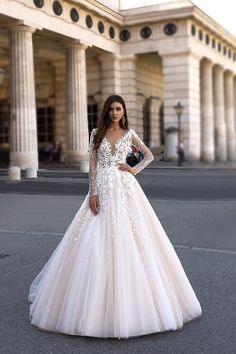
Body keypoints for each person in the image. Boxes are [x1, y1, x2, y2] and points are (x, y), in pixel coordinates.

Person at [28, 95, 202, 339]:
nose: (115, 112)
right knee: (93, 238)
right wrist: (92, 192)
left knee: (133, 237)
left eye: (119, 108)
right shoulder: (96, 133)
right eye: (111, 109)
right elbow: (92, 165)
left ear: (123, 111)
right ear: (106, 111)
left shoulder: (129, 133)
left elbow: (149, 155)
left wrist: (134, 169)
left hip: (125, 188)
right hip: (102, 188)